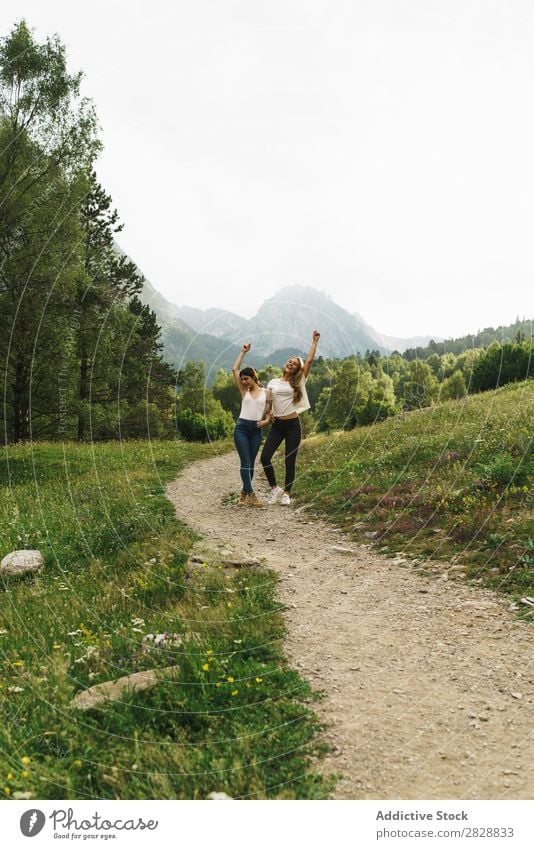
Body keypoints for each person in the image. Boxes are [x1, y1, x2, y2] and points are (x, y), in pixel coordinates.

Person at [260, 330, 320, 506]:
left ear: (297, 369)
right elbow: (269, 402)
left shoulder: (299, 381)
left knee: (289, 460)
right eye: (290, 361)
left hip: (293, 425)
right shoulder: (272, 382)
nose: (291, 363)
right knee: (264, 457)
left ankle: (287, 493)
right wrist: (268, 415)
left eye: (295, 363)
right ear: (285, 365)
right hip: (277, 426)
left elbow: (308, 361)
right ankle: (274, 489)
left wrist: (314, 342)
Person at [232, 343, 272, 507]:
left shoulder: (267, 393)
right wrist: (243, 352)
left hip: (256, 430)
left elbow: (269, 411)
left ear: (254, 377)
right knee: (245, 462)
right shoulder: (244, 391)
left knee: (251, 463)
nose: (243, 381)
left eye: (246, 378)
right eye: (242, 379)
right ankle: (252, 494)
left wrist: (267, 421)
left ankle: (243, 493)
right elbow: (235, 370)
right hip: (241, 429)